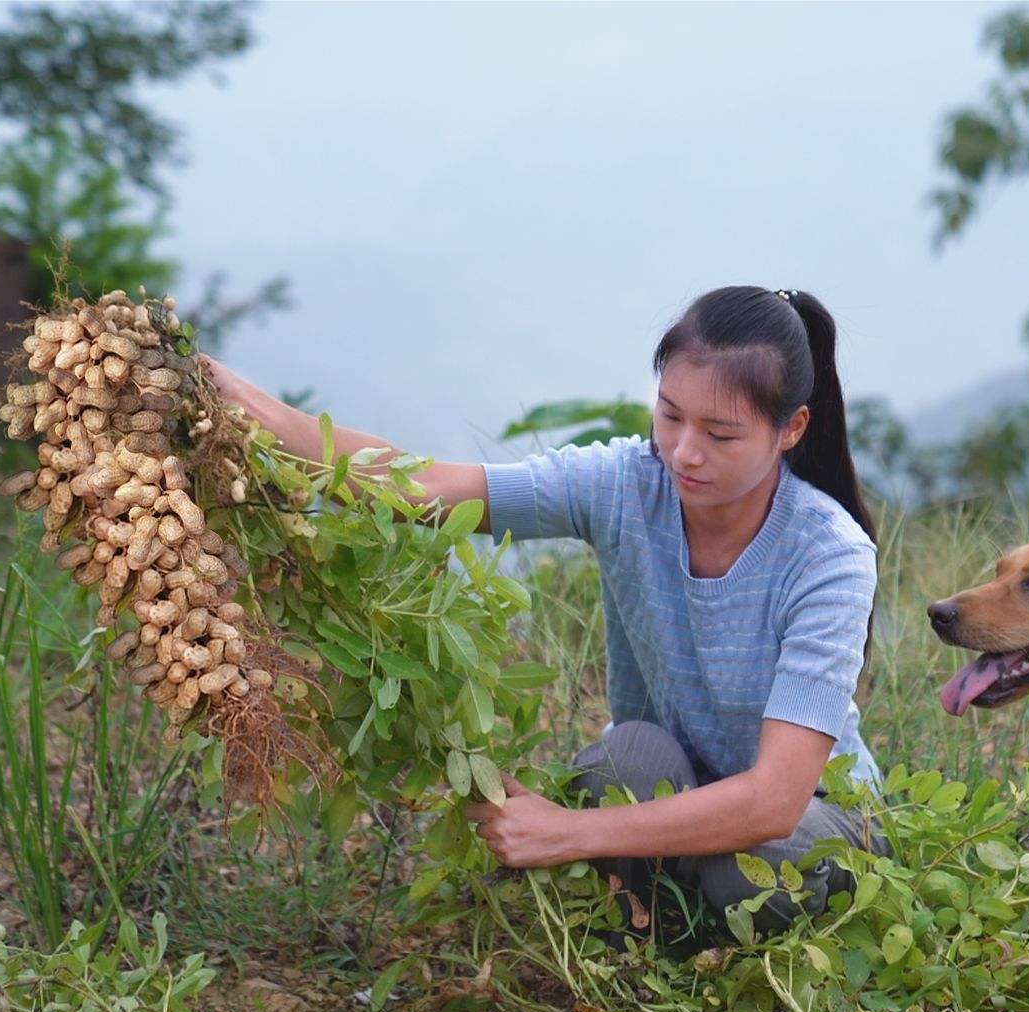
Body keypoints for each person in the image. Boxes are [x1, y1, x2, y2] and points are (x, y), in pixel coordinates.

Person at [203, 285, 887, 933]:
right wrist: (262, 417)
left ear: (791, 429)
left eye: (721, 434)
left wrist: (567, 832)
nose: (684, 452)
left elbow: (774, 799)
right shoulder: (626, 484)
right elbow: (434, 487)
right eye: (670, 415)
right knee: (626, 761)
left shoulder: (828, 555)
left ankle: (684, 906)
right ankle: (659, 916)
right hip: (680, 787)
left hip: (815, 816)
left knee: (751, 870)